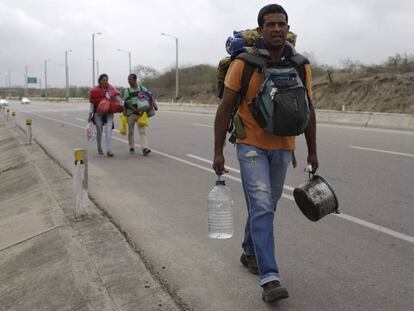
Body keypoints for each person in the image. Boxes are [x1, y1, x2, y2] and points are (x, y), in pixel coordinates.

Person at [213, 4, 318, 303]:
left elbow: (309, 109)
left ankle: (250, 250)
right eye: (270, 24)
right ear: (260, 30)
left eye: (281, 24)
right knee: (261, 206)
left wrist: (313, 151)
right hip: (251, 145)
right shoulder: (244, 63)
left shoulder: (301, 64)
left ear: (288, 28)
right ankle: (269, 278)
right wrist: (218, 152)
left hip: (284, 146)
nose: (276, 29)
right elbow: (224, 110)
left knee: (267, 207)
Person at [88, 74, 122, 157]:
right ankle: (99, 147)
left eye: (106, 80)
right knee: (99, 131)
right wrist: (90, 115)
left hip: (109, 113)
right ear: (100, 81)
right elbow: (92, 104)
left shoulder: (111, 89)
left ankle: (109, 150)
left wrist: (122, 105)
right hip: (98, 113)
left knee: (108, 131)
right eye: (103, 80)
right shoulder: (95, 91)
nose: (105, 81)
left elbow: (118, 98)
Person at [122, 73, 154, 156]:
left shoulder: (142, 88)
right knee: (131, 131)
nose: (129, 81)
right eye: (128, 79)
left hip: (141, 113)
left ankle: (145, 148)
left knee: (142, 131)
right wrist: (137, 111)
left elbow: (150, 96)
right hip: (131, 113)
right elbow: (128, 104)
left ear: (135, 80)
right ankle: (131, 146)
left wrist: (150, 105)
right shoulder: (127, 91)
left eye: (130, 79)